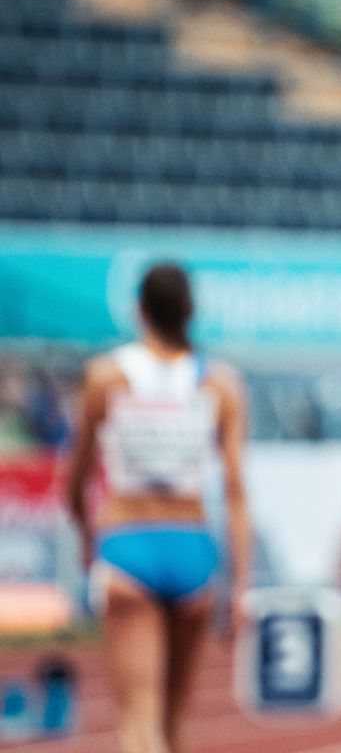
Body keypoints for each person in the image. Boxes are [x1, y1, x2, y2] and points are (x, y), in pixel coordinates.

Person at [64, 263, 249, 753]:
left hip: (128, 543)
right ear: (189, 311)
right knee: (176, 724)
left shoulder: (106, 376)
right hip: (192, 548)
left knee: (138, 724)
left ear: (140, 309)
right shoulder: (221, 383)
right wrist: (242, 586)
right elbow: (234, 491)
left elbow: (76, 479)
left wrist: (88, 537)